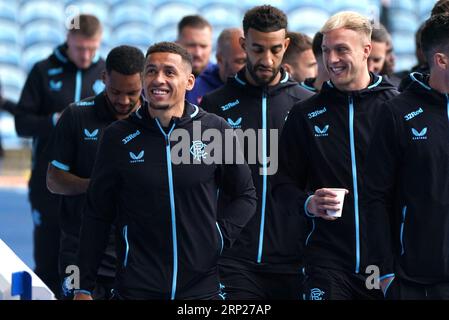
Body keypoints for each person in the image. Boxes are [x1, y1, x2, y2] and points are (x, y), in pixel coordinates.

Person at [73, 42, 257, 300]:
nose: (158, 79)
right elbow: (96, 215)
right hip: (136, 289)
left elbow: (246, 195)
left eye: (169, 72)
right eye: (150, 71)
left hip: (200, 291)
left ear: (189, 81)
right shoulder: (116, 137)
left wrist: (219, 237)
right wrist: (83, 286)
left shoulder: (216, 129)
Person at [273, 11, 398, 300]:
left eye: (342, 49)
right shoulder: (305, 114)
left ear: (367, 50)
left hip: (385, 264)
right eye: (327, 51)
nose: (331, 60)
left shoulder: (396, 107)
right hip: (326, 262)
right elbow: (280, 185)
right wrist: (308, 203)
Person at [200, 5, 314, 299]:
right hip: (234, 259)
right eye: (257, 49)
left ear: (286, 45)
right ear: (243, 45)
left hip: (295, 258)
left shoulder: (308, 105)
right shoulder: (215, 104)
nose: (266, 59)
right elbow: (203, 181)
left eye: (276, 50)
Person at [14, 14, 104, 297]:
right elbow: (21, 123)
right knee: (48, 258)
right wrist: (55, 119)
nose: (86, 56)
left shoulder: (106, 73)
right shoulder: (43, 71)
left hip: (91, 186)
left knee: (90, 259)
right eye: (80, 48)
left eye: (92, 48)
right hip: (48, 183)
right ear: (68, 40)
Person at [46, 45, 145, 299]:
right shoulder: (75, 115)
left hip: (136, 253)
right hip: (77, 249)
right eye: (115, 92)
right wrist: (97, 186)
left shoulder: (155, 121)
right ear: (103, 79)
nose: (123, 101)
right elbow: (54, 180)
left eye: (132, 93)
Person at [363, 13, 449, 300]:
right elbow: (375, 197)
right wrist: (385, 273)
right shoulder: (396, 112)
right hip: (415, 280)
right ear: (441, 60)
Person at [187, 28, 246, 105]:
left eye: (251, 60)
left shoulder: (261, 85)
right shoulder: (194, 90)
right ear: (220, 59)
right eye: (241, 61)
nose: (249, 67)